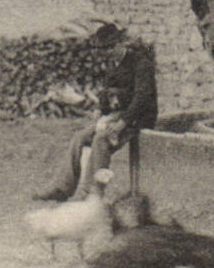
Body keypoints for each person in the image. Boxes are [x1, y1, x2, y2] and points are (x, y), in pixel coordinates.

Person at [33, 21, 158, 202]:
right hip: (117, 115)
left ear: (119, 43)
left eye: (109, 48)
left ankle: (91, 193)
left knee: (101, 139)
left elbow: (142, 98)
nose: (107, 54)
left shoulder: (140, 63)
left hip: (139, 117)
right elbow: (106, 91)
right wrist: (101, 108)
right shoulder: (113, 64)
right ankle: (62, 186)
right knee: (79, 138)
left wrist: (122, 122)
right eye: (103, 51)